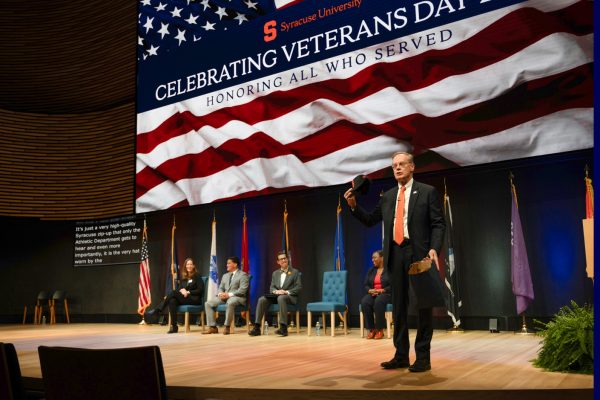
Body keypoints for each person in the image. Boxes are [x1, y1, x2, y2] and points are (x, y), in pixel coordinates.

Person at [344, 151, 445, 372]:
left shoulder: (427, 192)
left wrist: (434, 248)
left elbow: (438, 223)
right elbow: (371, 220)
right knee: (399, 307)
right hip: (395, 254)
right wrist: (353, 206)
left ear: (412, 167)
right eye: (394, 165)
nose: (397, 168)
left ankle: (423, 358)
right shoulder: (388, 196)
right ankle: (401, 355)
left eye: (401, 164)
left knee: (423, 305)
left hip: (419, 254)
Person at [248, 251, 302, 337]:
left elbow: (298, 288)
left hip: (289, 297)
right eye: (281, 259)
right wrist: (276, 291)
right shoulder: (275, 273)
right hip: (277, 296)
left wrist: (286, 292)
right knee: (262, 299)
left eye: (285, 258)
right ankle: (257, 327)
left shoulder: (295, 272)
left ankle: (283, 328)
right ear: (278, 262)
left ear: (287, 260)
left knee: (281, 298)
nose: (283, 260)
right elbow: (272, 288)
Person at [148, 257, 204, 334]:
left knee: (173, 293)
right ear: (185, 266)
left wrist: (188, 292)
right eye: (188, 264)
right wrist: (181, 291)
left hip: (194, 299)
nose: (189, 266)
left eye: (191, 264)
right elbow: (179, 290)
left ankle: (158, 310)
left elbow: (200, 290)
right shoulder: (184, 278)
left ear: (194, 266)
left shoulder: (197, 276)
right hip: (185, 299)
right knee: (172, 301)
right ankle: (174, 326)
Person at [204, 256, 249, 335]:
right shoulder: (225, 275)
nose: (226, 265)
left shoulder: (243, 275)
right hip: (225, 297)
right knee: (208, 304)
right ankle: (213, 327)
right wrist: (221, 294)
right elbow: (220, 288)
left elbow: (242, 290)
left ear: (235, 264)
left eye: (229, 263)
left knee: (230, 302)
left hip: (238, 298)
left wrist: (229, 294)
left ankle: (227, 326)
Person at [361, 250, 392, 340]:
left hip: (386, 294)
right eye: (372, 258)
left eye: (375, 257)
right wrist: (370, 290)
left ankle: (380, 329)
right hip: (374, 294)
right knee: (365, 302)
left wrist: (383, 290)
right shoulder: (371, 270)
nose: (372, 260)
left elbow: (393, 285)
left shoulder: (389, 270)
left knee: (379, 301)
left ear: (382, 258)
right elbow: (366, 284)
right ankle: (371, 329)